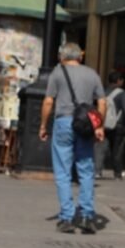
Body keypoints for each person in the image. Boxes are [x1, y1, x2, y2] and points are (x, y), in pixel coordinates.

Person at [39, 42, 106, 234]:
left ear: (62, 56)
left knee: (63, 171)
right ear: (80, 57)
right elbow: (102, 102)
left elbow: (48, 101)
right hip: (85, 125)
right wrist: (99, 125)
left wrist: (43, 125)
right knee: (86, 169)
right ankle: (86, 215)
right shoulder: (92, 74)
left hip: (63, 123)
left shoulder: (58, 73)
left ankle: (67, 217)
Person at [102, 72, 125, 179]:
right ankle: (117, 172)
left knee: (101, 147)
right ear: (119, 80)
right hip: (118, 125)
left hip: (103, 124)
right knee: (117, 149)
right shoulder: (121, 93)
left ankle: (97, 169)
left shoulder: (103, 91)